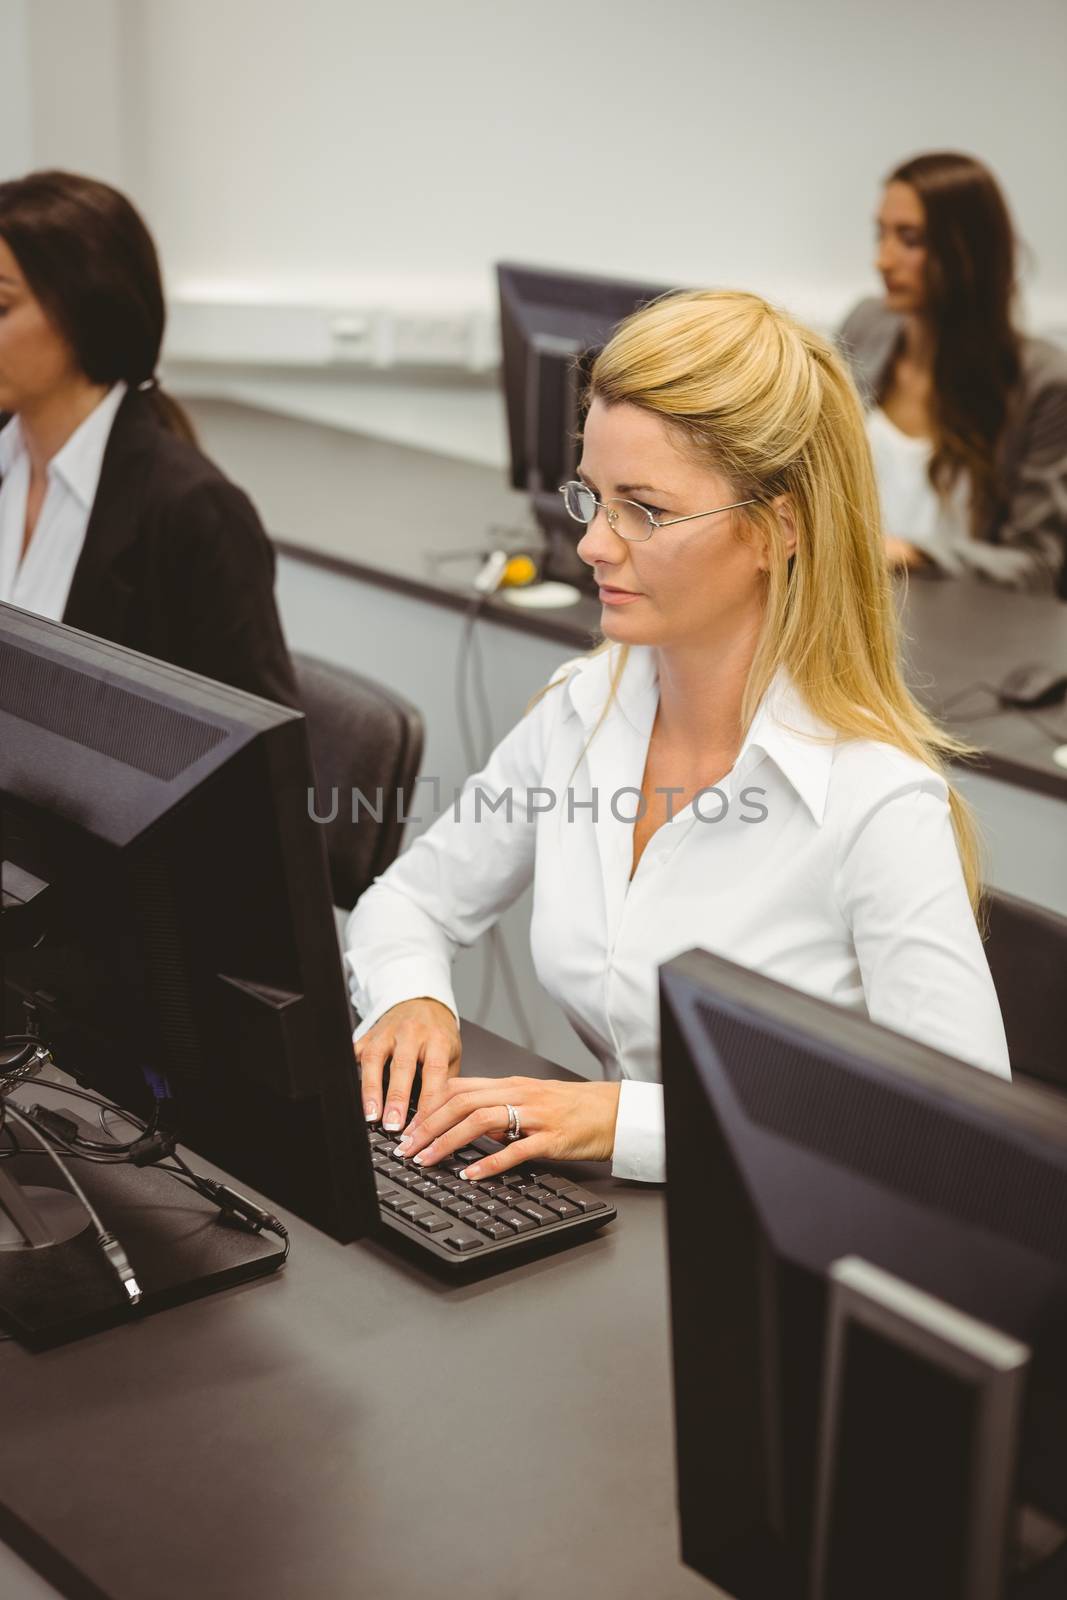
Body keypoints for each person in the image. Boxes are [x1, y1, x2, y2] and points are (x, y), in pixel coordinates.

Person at [346, 289, 1010, 1188]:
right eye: (592, 496)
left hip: (782, 1252)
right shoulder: (583, 709)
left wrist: (624, 1120)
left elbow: (957, 1134)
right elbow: (410, 902)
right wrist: (411, 999)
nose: (590, 544)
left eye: (643, 510)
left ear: (779, 528)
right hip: (631, 1225)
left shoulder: (875, 805)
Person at [0, 169, 298, 706]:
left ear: (84, 312)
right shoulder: (10, 459)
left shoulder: (195, 514)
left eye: (0, 307)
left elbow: (258, 775)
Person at [838, 151, 1067, 596]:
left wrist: (911, 554)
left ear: (967, 251)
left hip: (958, 627)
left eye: (910, 239)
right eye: (880, 234)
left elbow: (1039, 565)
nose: (882, 261)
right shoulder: (863, 328)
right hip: (845, 607)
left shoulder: (1043, 384)